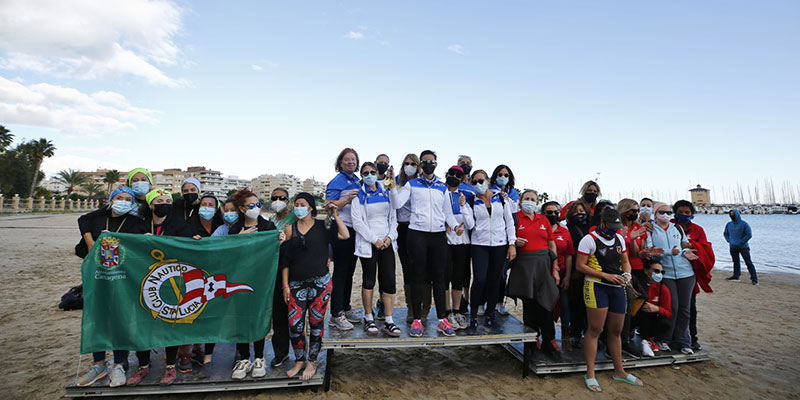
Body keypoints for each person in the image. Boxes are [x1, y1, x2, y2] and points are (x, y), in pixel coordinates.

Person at [75, 187, 147, 388]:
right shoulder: (98, 217)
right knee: (97, 319)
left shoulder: (136, 223)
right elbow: (82, 221)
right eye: (119, 198)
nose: (122, 201)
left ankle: (118, 365)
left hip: (122, 278)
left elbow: (142, 244)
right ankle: (98, 365)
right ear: (111, 199)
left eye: (127, 199)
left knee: (121, 320)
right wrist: (91, 243)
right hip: (98, 277)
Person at [388, 149, 462, 337]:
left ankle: (441, 320)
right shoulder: (412, 184)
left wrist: (455, 227)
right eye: (425, 161)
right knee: (417, 276)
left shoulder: (442, 187)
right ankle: (417, 321)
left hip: (437, 235)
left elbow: (447, 214)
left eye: (432, 161)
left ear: (436, 164)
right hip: (417, 234)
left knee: (439, 276)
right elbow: (397, 204)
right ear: (421, 164)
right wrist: (392, 188)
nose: (429, 164)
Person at [128, 189, 195, 386]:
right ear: (150, 205)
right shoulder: (138, 226)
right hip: (142, 281)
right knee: (143, 324)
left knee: (169, 324)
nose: (164, 203)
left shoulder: (179, 224)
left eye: (167, 200)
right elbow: (128, 246)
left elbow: (187, 246)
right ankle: (142, 366)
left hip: (170, 282)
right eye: (159, 201)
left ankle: (169, 367)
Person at [282, 193, 349, 380]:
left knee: (316, 324)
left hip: (321, 284)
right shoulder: (290, 229)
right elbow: (285, 261)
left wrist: (335, 215)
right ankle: (299, 360)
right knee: (295, 324)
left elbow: (345, 234)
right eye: (296, 204)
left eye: (302, 204)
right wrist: (285, 285)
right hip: (296, 284)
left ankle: (312, 361)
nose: (298, 207)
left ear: (311, 208)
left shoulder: (323, 226)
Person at [576, 208, 643, 392]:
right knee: (595, 329)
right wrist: (604, 276)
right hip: (596, 286)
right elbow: (580, 265)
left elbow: (625, 261)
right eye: (611, 226)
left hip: (617, 287)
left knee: (616, 330)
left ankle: (619, 371)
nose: (614, 230)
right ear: (603, 223)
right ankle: (590, 373)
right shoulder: (589, 240)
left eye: (617, 227)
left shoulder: (620, 239)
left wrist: (627, 274)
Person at [227, 188, 285, 380]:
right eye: (251, 206)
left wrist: (280, 240)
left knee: (259, 316)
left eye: (258, 205)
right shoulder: (234, 229)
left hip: (261, 281)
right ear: (242, 209)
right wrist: (240, 240)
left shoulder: (268, 227)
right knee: (241, 318)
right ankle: (244, 358)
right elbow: (228, 254)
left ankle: (259, 357)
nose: (256, 208)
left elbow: (275, 251)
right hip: (239, 281)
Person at [350, 162, 402, 337]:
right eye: (366, 173)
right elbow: (357, 222)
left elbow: (394, 217)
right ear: (362, 176)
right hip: (369, 243)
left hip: (387, 243)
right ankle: (368, 317)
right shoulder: (359, 196)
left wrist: (389, 237)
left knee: (388, 281)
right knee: (369, 280)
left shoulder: (386, 191)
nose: (370, 175)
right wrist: (374, 240)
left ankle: (388, 319)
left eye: (372, 172)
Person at [506, 191, 560, 356]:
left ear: (537, 202)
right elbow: (508, 238)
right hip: (524, 265)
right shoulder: (514, 218)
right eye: (526, 199)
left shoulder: (542, 219)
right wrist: (514, 242)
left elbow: (551, 244)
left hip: (543, 264)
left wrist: (555, 268)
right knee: (529, 303)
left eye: (533, 199)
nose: (529, 202)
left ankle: (549, 338)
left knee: (546, 301)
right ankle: (532, 337)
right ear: (521, 201)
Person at [644, 202, 699, 355]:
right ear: (655, 213)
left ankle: (684, 341)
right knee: (672, 307)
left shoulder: (677, 228)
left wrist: (686, 251)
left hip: (685, 272)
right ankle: (664, 339)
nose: (666, 215)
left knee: (685, 309)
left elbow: (682, 246)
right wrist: (669, 252)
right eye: (662, 212)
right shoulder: (649, 230)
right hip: (666, 273)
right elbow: (651, 250)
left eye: (668, 212)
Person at [467, 169, 516, 333]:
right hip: (479, 244)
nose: (478, 184)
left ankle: (490, 316)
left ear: (488, 180)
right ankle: (473, 316)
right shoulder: (472, 200)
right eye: (474, 182)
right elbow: (469, 223)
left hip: (499, 244)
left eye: (481, 180)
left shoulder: (501, 199)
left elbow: (509, 221)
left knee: (495, 280)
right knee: (480, 279)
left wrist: (512, 244)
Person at [325, 148, 361, 330]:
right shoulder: (337, 181)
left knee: (350, 272)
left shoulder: (356, 180)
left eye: (353, 160)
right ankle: (336, 313)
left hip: (355, 230)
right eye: (346, 160)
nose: (350, 162)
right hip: (340, 228)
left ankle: (346, 307)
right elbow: (328, 205)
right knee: (340, 272)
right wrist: (346, 200)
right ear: (340, 163)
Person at [674, 200, 714, 350]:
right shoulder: (670, 226)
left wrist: (691, 245)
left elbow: (706, 248)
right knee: (671, 306)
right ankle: (671, 338)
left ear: (692, 214)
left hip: (689, 273)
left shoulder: (697, 230)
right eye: (681, 212)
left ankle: (692, 338)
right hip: (670, 272)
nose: (683, 215)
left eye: (687, 212)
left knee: (689, 308)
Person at [444, 165, 474, 330]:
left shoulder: (466, 196)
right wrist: (444, 223)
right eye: (451, 174)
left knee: (458, 278)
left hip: (463, 243)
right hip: (445, 242)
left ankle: (457, 311)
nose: (454, 177)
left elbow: (471, 223)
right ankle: (447, 312)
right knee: (444, 277)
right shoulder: (440, 193)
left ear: (462, 179)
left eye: (458, 175)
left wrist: (463, 206)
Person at [394, 153, 423, 322]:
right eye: (406, 163)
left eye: (413, 163)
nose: (409, 166)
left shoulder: (422, 182)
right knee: (407, 268)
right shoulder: (397, 182)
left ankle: (422, 307)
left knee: (420, 269)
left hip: (419, 228)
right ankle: (410, 308)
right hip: (402, 228)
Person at [542, 201, 574, 349]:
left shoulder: (564, 231)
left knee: (565, 305)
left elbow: (569, 255)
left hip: (561, 271)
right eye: (549, 212)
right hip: (543, 272)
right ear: (543, 214)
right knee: (544, 305)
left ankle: (566, 337)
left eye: (556, 212)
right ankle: (544, 336)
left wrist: (567, 276)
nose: (553, 215)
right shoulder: (540, 229)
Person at [633, 261, 672, 357]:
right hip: (635, 316)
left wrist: (657, 308)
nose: (659, 274)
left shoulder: (663, 289)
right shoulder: (638, 285)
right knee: (644, 308)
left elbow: (668, 312)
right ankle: (636, 337)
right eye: (656, 271)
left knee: (665, 323)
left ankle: (648, 340)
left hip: (652, 319)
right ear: (646, 271)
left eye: (662, 272)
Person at [565, 201, 590, 349]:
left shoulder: (591, 228)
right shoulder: (567, 227)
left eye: (582, 210)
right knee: (576, 305)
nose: (579, 213)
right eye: (576, 211)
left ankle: (589, 334)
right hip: (575, 270)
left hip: (592, 268)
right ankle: (575, 334)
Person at [724, 209, 757, 285]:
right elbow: (725, 233)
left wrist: (742, 242)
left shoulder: (744, 224)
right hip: (732, 246)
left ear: (737, 214)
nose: (732, 215)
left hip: (743, 247)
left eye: (733, 214)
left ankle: (754, 279)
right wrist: (729, 240)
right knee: (735, 262)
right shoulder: (729, 224)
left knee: (748, 262)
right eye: (730, 214)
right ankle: (736, 276)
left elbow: (749, 234)